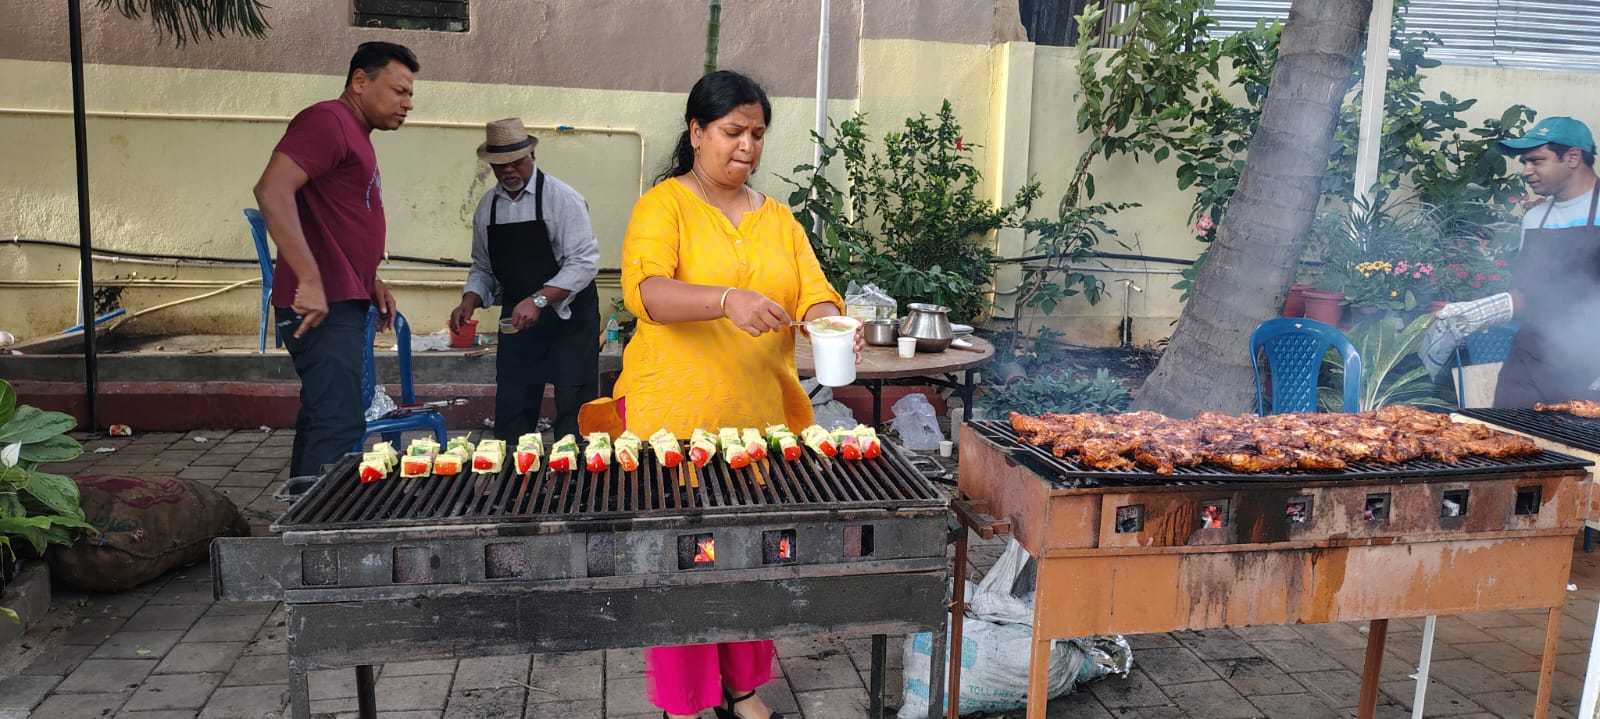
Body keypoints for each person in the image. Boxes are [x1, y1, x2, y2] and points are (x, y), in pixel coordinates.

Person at [610, 70, 858, 719]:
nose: (747, 145)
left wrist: (830, 321)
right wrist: (726, 300)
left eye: (757, 133)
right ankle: (686, 701)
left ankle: (741, 688)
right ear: (696, 132)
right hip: (674, 422)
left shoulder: (779, 219)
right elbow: (647, 292)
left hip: (758, 423)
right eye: (732, 131)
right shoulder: (664, 205)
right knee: (683, 561)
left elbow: (816, 291)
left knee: (753, 557)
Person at [253, 41, 418, 481]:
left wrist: (370, 280)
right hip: (321, 304)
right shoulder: (327, 120)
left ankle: (301, 509)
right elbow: (271, 189)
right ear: (360, 81)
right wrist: (308, 278)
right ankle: (319, 519)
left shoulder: (354, 132)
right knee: (339, 423)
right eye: (399, 91)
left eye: (410, 95)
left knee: (324, 415)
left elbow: (335, 221)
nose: (408, 104)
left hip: (344, 296)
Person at [1423, 116, 1600, 406]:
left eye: (1536, 161)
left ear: (1572, 157)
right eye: (1524, 162)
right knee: (1506, 428)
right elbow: (1528, 292)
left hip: (1590, 357)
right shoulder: (1535, 218)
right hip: (1531, 355)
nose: (1526, 171)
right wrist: (1473, 313)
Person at [449, 118, 601, 440]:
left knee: (575, 416)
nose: (508, 170)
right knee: (513, 409)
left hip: (569, 320)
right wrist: (469, 300)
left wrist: (539, 299)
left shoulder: (562, 199)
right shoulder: (487, 208)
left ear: (531, 155)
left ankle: (573, 472)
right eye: (499, 164)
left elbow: (584, 263)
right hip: (519, 321)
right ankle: (511, 470)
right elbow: (483, 266)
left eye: (516, 162)